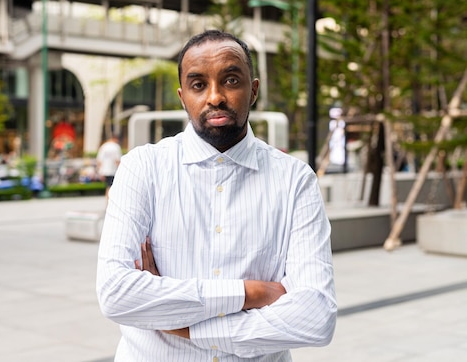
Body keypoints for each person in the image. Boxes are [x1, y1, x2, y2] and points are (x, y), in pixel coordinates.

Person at [96, 30, 337, 361]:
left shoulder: (295, 180)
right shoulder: (143, 168)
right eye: (198, 85)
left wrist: (186, 327)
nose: (215, 97)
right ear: (183, 97)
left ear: (253, 91)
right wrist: (248, 293)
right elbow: (116, 294)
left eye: (231, 80)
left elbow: (316, 316)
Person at [96, 134, 123, 200]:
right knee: (112, 187)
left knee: (108, 186)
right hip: (113, 170)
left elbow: (99, 160)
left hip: (105, 170)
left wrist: (99, 171)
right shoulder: (116, 146)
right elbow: (117, 160)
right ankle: (110, 201)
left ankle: (107, 201)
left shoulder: (104, 146)